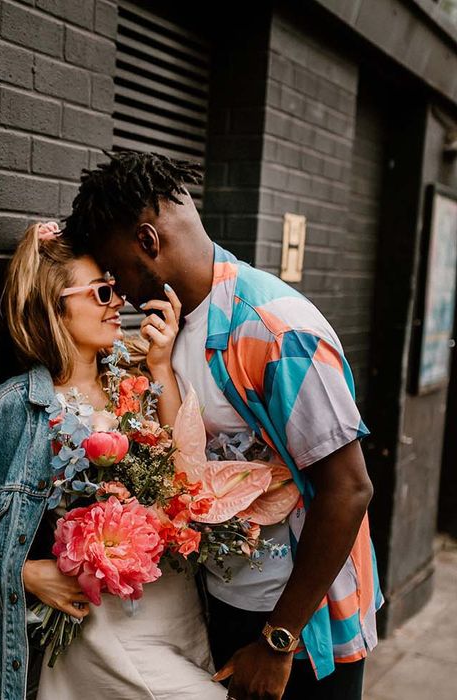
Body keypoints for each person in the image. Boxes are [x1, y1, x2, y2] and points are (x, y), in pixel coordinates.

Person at [63, 151, 383, 700]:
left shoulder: (279, 333)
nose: (117, 290)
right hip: (228, 607)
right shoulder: (179, 322)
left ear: (148, 240)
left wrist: (278, 641)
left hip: (301, 631)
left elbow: (349, 490)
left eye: (116, 271)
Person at [0, 222, 226, 699]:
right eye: (102, 292)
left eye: (115, 289)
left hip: (176, 606)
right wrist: (21, 572)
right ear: (54, 307)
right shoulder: (13, 410)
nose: (118, 303)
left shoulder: (138, 379)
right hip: (107, 625)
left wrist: (161, 366)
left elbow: (182, 474)